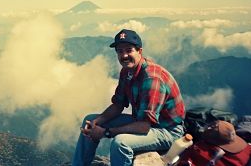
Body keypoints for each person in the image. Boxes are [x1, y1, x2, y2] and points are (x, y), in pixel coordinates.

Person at [72, 29, 186, 166]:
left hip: (167, 131)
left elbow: (144, 127)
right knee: (89, 120)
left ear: (139, 51)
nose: (124, 55)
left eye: (129, 50)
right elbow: (118, 105)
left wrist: (105, 132)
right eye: (120, 51)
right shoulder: (127, 72)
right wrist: (97, 122)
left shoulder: (151, 79)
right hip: (144, 121)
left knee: (120, 143)